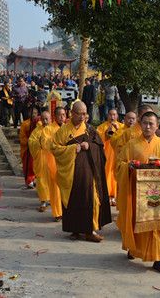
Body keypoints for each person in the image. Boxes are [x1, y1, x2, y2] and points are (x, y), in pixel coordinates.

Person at [116, 111, 160, 274]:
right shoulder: (132, 144)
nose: (148, 126)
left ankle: (159, 260)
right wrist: (128, 166)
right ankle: (134, 249)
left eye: (151, 123)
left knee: (158, 226)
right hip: (137, 194)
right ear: (140, 124)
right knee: (137, 224)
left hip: (159, 194)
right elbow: (119, 164)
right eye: (144, 123)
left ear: (157, 126)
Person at [51, 101, 111, 242]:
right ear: (72, 113)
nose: (82, 117)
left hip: (88, 171)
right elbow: (54, 148)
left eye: (84, 114)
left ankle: (91, 230)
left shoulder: (89, 130)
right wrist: (72, 149)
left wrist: (89, 145)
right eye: (79, 113)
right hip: (71, 172)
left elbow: (100, 147)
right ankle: (75, 229)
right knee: (73, 200)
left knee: (92, 199)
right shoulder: (63, 131)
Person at [38, 107, 67, 221]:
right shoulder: (48, 129)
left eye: (64, 115)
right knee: (55, 190)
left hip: (66, 162)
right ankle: (58, 213)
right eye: (60, 115)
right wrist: (56, 139)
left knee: (66, 188)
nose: (62, 117)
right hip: (53, 163)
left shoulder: (68, 128)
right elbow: (45, 144)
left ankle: (67, 211)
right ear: (55, 116)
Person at [96, 109, 124, 206]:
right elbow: (97, 140)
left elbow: (125, 137)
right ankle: (107, 195)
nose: (112, 117)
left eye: (114, 115)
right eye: (110, 114)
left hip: (118, 155)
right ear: (107, 115)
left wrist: (118, 130)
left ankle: (115, 196)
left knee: (116, 174)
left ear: (117, 116)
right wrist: (105, 134)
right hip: (106, 154)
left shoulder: (121, 126)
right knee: (107, 174)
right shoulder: (101, 127)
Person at [28, 111, 53, 212]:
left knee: (53, 181)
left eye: (47, 119)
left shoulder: (54, 129)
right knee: (42, 181)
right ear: (40, 120)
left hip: (52, 160)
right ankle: (43, 201)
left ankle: (53, 199)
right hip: (41, 159)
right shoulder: (37, 131)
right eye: (43, 119)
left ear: (51, 119)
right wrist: (39, 143)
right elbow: (31, 142)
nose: (45, 121)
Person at [19, 107, 39, 189]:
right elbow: (22, 136)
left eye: (35, 113)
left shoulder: (39, 123)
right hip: (27, 148)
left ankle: (35, 180)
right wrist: (30, 142)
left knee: (36, 165)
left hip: (37, 148)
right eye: (31, 112)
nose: (33, 114)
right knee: (28, 166)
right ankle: (29, 181)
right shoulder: (25, 124)